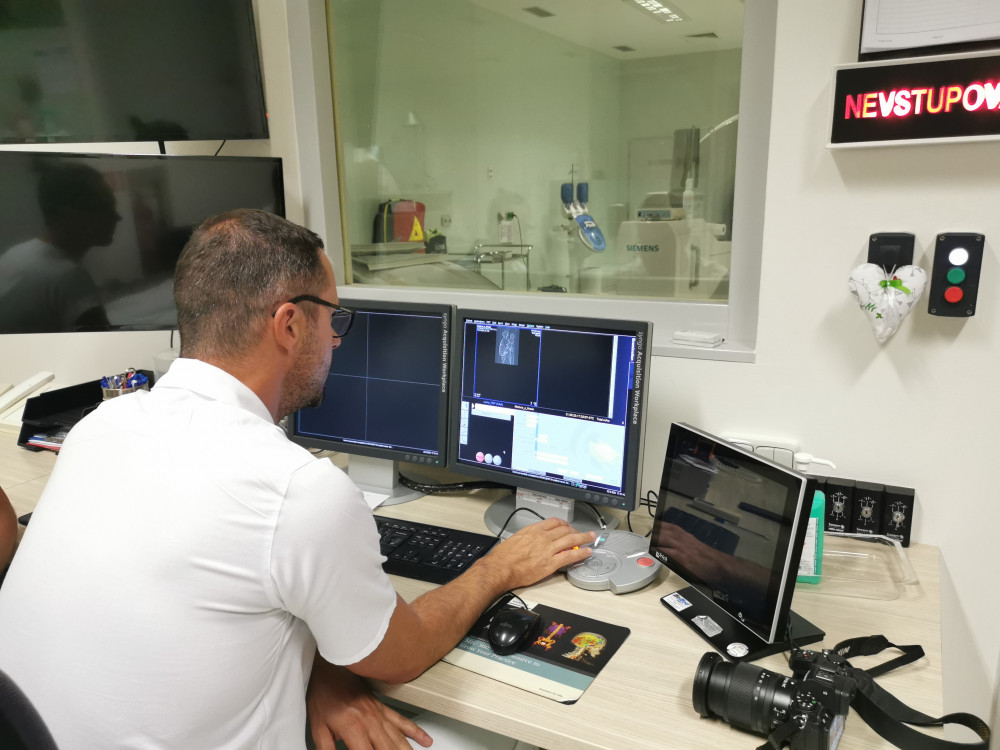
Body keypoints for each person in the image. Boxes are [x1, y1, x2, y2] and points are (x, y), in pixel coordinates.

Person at [0, 209, 595, 749]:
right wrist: (499, 567)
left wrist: (320, 675)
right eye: (334, 319)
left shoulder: (100, 426)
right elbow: (402, 654)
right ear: (288, 324)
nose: (336, 339)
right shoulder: (295, 490)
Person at [0, 162, 119, 333]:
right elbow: (104, 345)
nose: (117, 217)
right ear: (67, 216)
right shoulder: (68, 276)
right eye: (106, 207)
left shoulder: (15, 254)